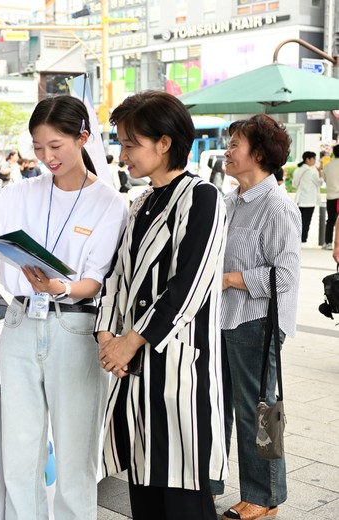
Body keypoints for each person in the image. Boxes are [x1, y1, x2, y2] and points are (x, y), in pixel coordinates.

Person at [0, 95, 127, 518]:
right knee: (20, 452)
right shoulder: (20, 192)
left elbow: (96, 280)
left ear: (82, 138)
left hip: (75, 328)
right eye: (38, 148)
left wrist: (62, 287)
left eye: (55, 146)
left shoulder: (109, 203)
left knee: (76, 455)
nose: (47, 157)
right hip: (21, 322)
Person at [95, 91, 228, 520]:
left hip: (179, 369)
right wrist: (107, 336)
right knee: (145, 491)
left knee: (183, 494)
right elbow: (116, 275)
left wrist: (129, 342)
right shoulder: (141, 203)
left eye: (130, 144)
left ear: (165, 143)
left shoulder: (202, 197)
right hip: (136, 371)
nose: (123, 155)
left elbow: (189, 285)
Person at [208, 114, 300, 520]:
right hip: (223, 318)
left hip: (258, 322)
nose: (227, 151)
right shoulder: (228, 202)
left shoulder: (277, 206)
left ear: (259, 154)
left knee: (260, 412)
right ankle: (212, 482)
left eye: (235, 145)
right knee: (216, 404)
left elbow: (286, 274)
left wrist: (230, 279)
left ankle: (264, 496)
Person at [292, 151, 322, 243]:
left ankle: (297, 238)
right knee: (307, 221)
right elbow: (320, 183)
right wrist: (320, 172)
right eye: (313, 158)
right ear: (307, 159)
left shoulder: (298, 170)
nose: (314, 161)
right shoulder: (312, 171)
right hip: (310, 200)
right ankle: (303, 239)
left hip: (300, 199)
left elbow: (294, 184)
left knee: (299, 221)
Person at [323, 144, 339, 250]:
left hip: (331, 196)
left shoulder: (327, 166)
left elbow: (325, 180)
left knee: (330, 220)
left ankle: (328, 242)